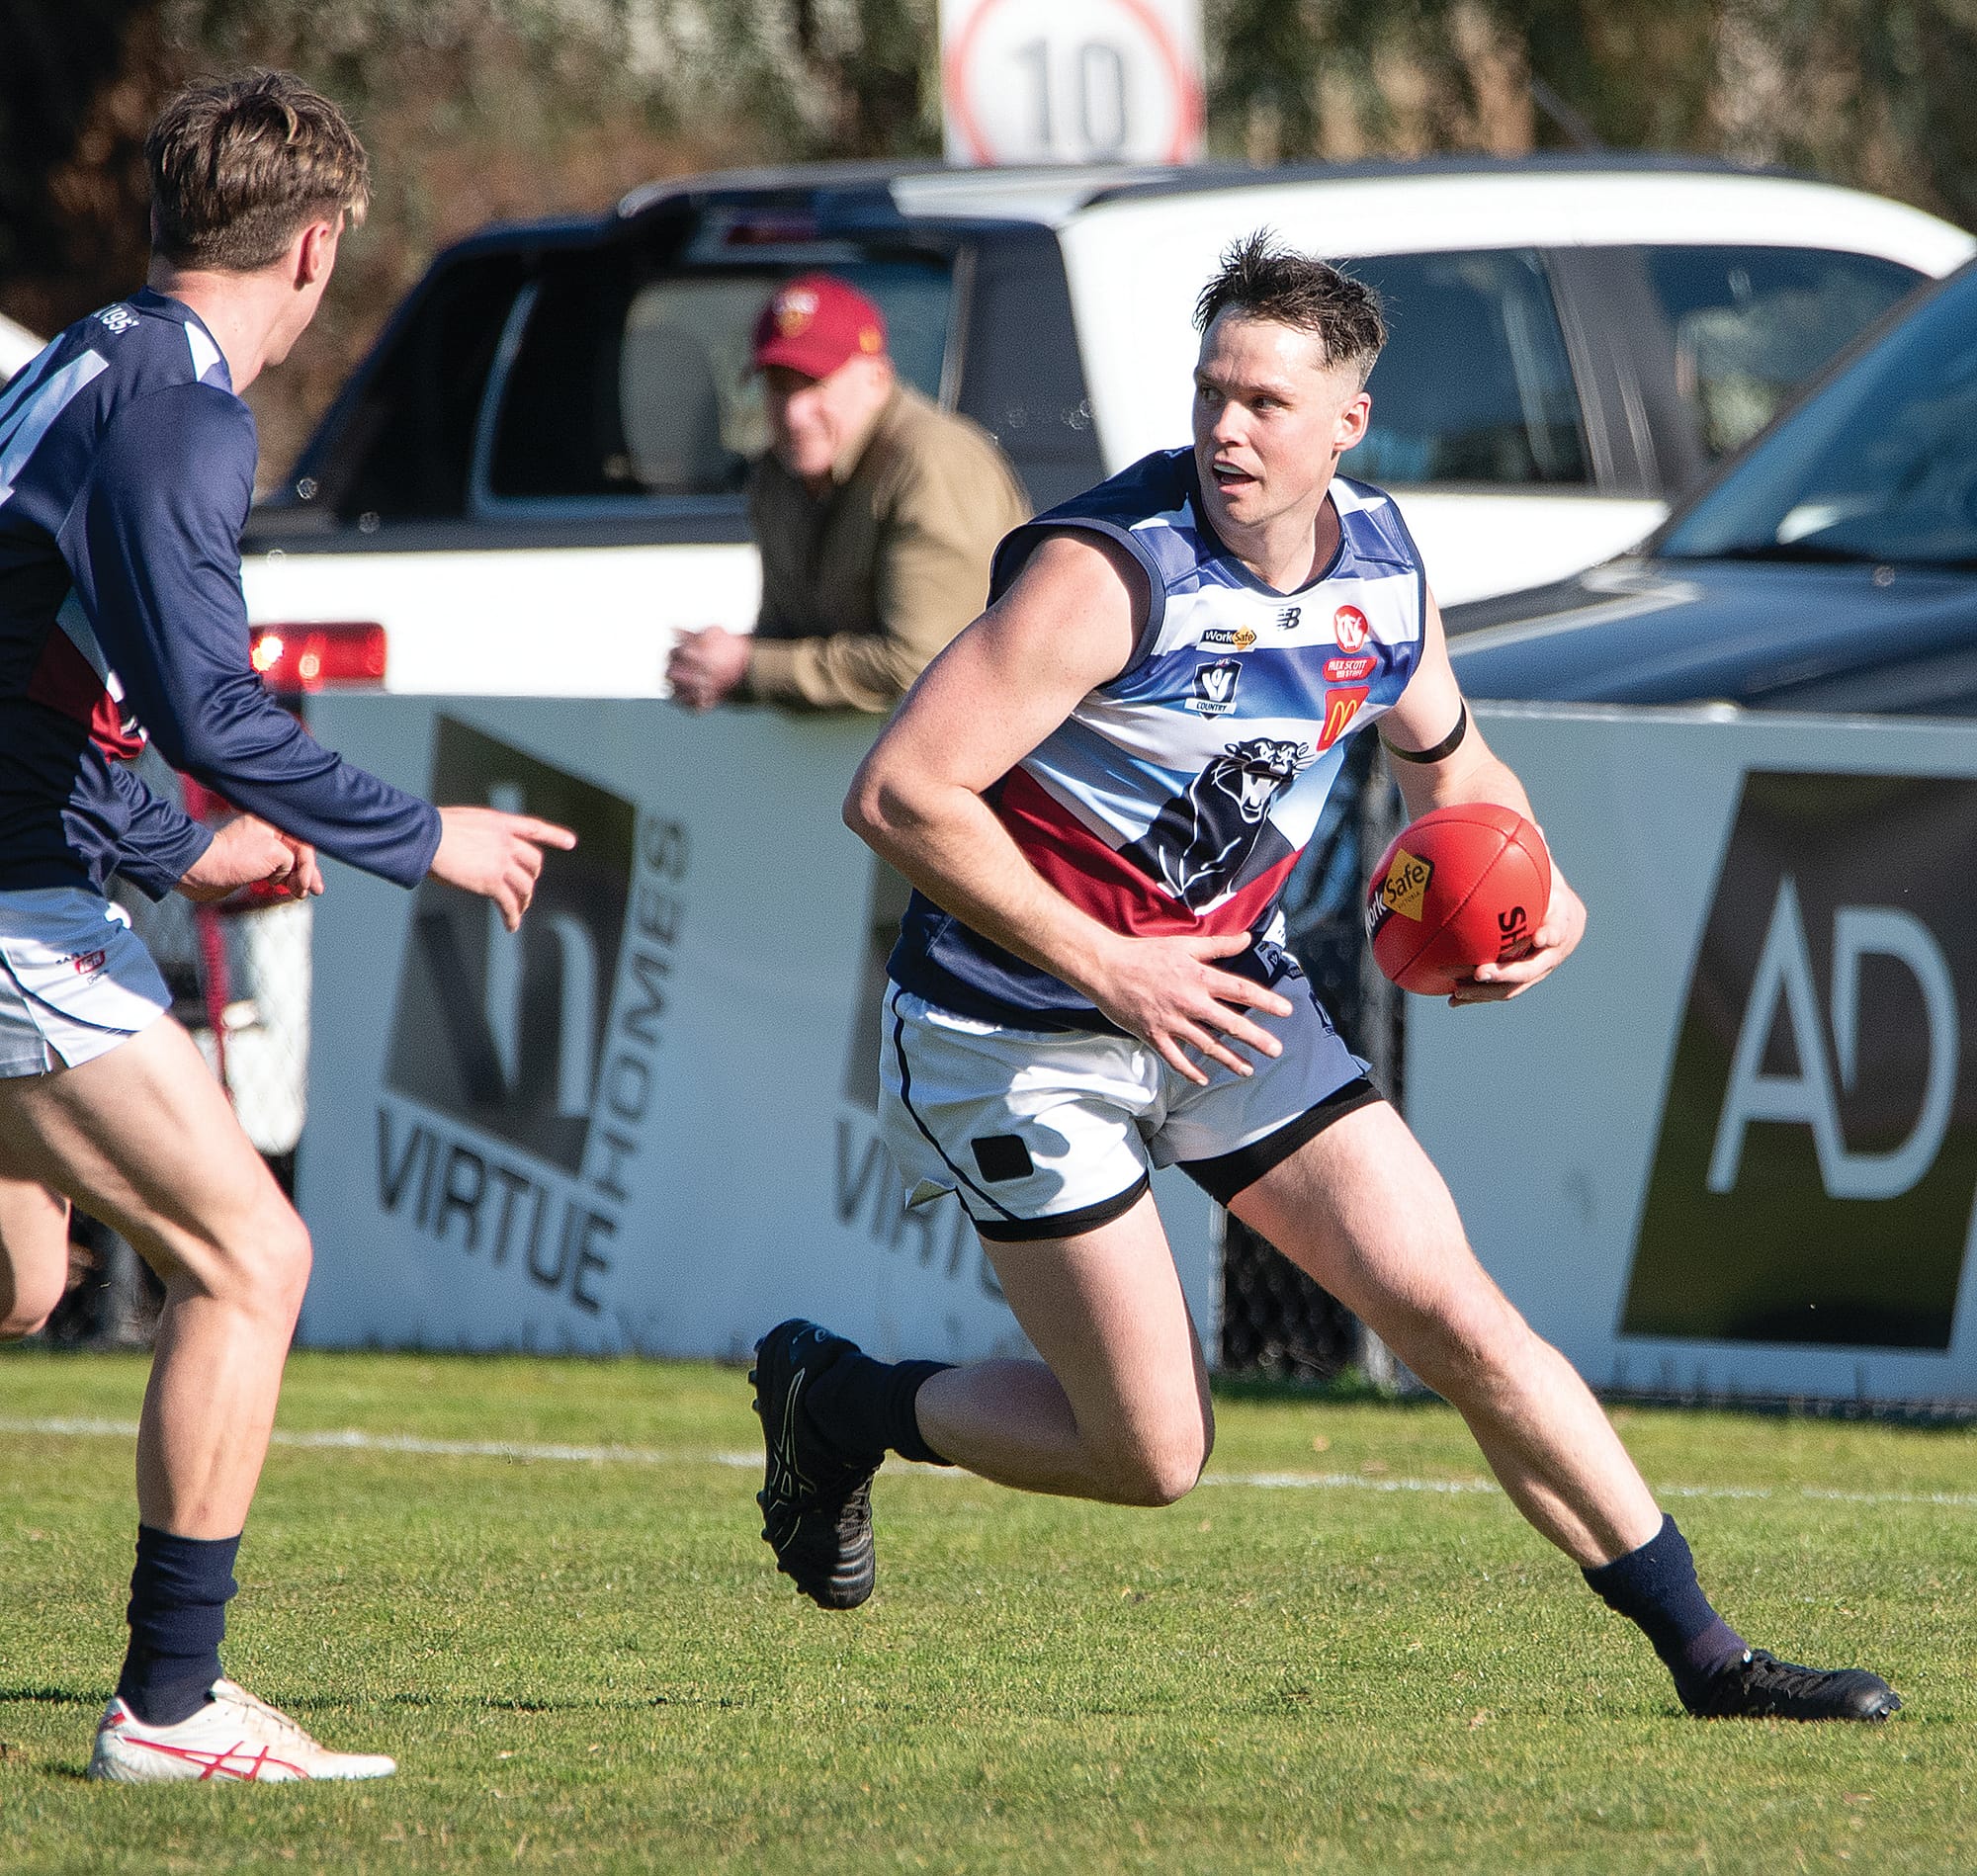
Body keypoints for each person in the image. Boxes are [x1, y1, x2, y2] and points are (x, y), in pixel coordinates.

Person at [749, 233, 1899, 1724]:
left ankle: (1712, 1656)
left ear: (1345, 426)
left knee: (1461, 1317)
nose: (1225, 427)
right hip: (1015, 1029)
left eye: (1265, 405)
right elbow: (902, 793)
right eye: (1210, 392)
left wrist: (1541, 895)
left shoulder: (1379, 570)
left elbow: (1454, 767)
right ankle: (840, 1403)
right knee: (1154, 1452)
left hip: (1228, 1000)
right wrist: (1116, 964)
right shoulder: (1112, 577)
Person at [0, 70, 574, 1782]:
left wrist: (179, 853)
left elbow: (53, 689)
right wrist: (427, 835)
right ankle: (169, 1706)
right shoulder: (181, 410)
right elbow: (207, 706)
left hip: (35, 858)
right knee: (256, 1255)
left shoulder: (83, 356)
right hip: (11, 896)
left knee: (24, 1273)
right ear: (319, 248)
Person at [665, 273, 1029, 714]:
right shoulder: (778, 473)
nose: (795, 414)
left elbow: (921, 666)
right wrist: (719, 665)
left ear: (877, 379)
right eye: (779, 387)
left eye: (814, 384)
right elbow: (789, 638)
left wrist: (749, 666)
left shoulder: (931, 465)